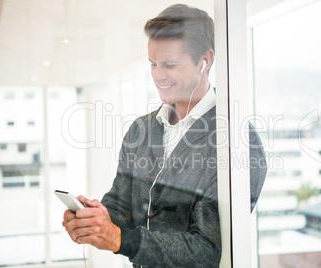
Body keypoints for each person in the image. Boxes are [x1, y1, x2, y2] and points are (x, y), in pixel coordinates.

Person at [62, 4, 266, 268]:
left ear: (205, 60)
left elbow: (206, 250)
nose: (158, 76)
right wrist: (93, 219)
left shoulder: (237, 142)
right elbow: (121, 206)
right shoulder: (141, 130)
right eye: (153, 64)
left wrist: (120, 239)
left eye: (169, 64)